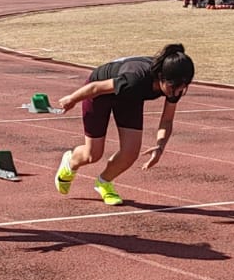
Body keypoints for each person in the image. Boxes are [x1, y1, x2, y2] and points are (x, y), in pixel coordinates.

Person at [54, 43, 195, 207]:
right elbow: (95, 88)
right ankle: (70, 162)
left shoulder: (175, 86)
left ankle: (104, 182)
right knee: (93, 154)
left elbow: (167, 120)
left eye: (182, 88)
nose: (177, 92)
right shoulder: (136, 79)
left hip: (129, 98)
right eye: (174, 87)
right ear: (161, 77)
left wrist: (160, 146)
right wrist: (72, 99)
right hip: (100, 92)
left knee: (131, 152)